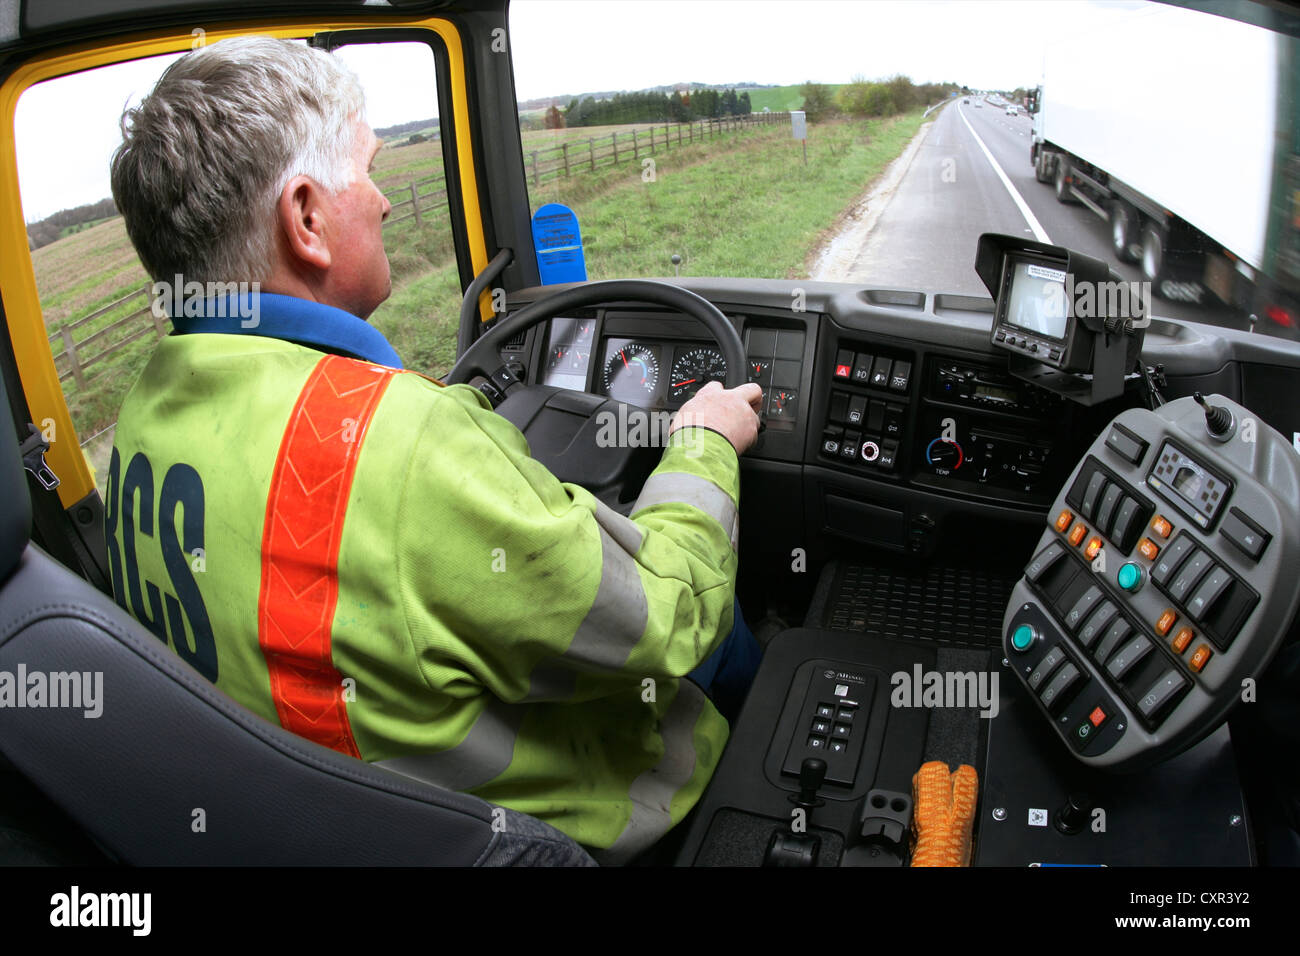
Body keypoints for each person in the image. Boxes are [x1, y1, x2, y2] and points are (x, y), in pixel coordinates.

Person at [105, 35, 763, 863]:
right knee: (722, 619)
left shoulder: (146, 418)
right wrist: (701, 442)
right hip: (561, 838)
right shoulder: (401, 445)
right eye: (368, 171)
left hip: (331, 825)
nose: (383, 202)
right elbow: (668, 618)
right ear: (306, 218)